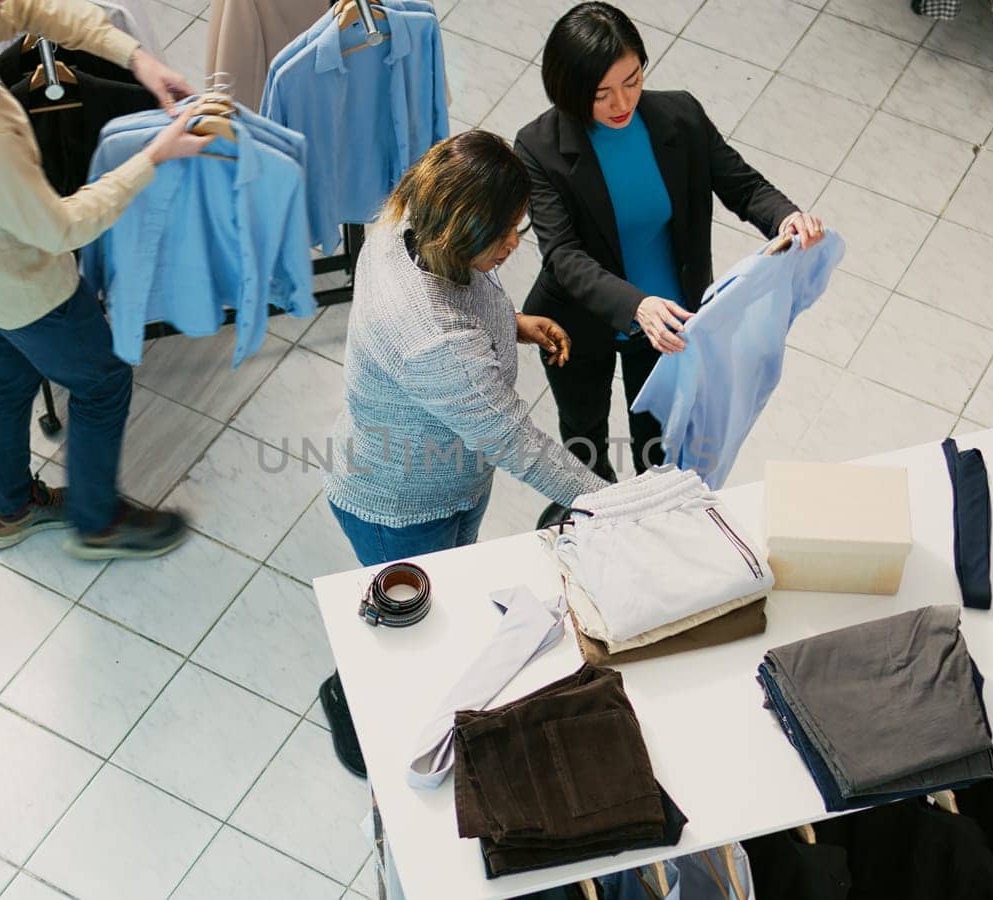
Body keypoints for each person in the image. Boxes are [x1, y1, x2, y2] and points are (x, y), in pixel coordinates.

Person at [0, 0, 214, 559]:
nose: (2, 2)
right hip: (27, 290)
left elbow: (27, 11)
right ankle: (98, 525)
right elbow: (60, 227)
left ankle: (9, 509)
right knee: (102, 382)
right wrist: (154, 156)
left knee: (9, 371)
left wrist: (136, 58)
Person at [317, 130, 609, 777]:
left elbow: (467, 315)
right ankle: (350, 699)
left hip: (445, 482)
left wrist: (513, 325)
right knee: (411, 625)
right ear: (460, 228)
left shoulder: (400, 229)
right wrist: (615, 504)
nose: (514, 245)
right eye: (505, 233)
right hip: (398, 503)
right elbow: (518, 443)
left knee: (437, 603)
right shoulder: (430, 336)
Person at [515, 1, 826, 485]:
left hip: (672, 324)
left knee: (659, 440)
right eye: (601, 94)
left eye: (632, 81)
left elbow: (742, 185)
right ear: (569, 90)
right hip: (578, 322)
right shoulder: (538, 146)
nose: (622, 104)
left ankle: (656, 511)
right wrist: (637, 305)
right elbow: (562, 255)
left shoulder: (679, 115)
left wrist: (786, 216)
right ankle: (597, 510)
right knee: (584, 433)